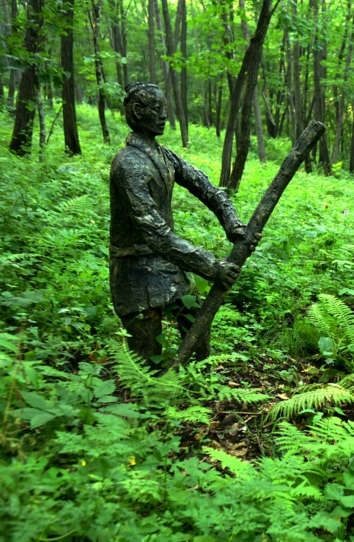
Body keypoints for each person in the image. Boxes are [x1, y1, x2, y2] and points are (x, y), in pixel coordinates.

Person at [109, 82, 256, 365]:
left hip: (168, 267)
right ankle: (152, 401)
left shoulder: (164, 156)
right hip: (135, 273)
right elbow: (154, 232)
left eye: (165, 108)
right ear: (138, 111)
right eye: (157, 108)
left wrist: (232, 223)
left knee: (197, 332)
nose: (164, 115)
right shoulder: (128, 164)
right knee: (146, 358)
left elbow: (206, 187)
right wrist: (211, 266)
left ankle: (196, 389)